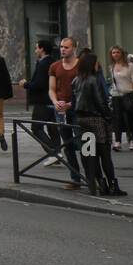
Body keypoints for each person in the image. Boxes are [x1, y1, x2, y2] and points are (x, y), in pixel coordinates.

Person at [73, 51, 125, 196]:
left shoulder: (76, 80)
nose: (98, 65)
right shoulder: (93, 80)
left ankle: (100, 184)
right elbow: (100, 102)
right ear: (91, 64)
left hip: (82, 120)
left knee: (91, 154)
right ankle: (113, 185)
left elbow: (74, 100)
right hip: (96, 120)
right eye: (96, 63)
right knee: (105, 155)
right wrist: (108, 117)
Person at [50, 37, 86, 189]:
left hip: (77, 109)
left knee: (83, 144)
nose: (62, 49)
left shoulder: (81, 66)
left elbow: (84, 90)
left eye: (66, 47)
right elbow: (51, 88)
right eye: (61, 47)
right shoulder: (55, 66)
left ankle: (92, 177)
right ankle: (75, 178)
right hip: (61, 110)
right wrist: (55, 102)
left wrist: (71, 104)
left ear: (74, 49)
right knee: (68, 144)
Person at [20, 39, 57, 154]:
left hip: (42, 100)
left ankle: (53, 151)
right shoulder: (52, 61)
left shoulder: (43, 64)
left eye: (37, 48)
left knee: (36, 128)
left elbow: (40, 84)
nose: (35, 50)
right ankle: (56, 152)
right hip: (51, 100)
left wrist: (25, 84)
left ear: (42, 49)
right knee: (52, 128)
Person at [107, 45, 133, 151]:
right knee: (116, 118)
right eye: (113, 53)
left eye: (117, 52)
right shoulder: (112, 66)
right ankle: (117, 141)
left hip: (128, 94)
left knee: (130, 118)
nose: (115, 54)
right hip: (116, 95)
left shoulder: (130, 66)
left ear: (122, 54)